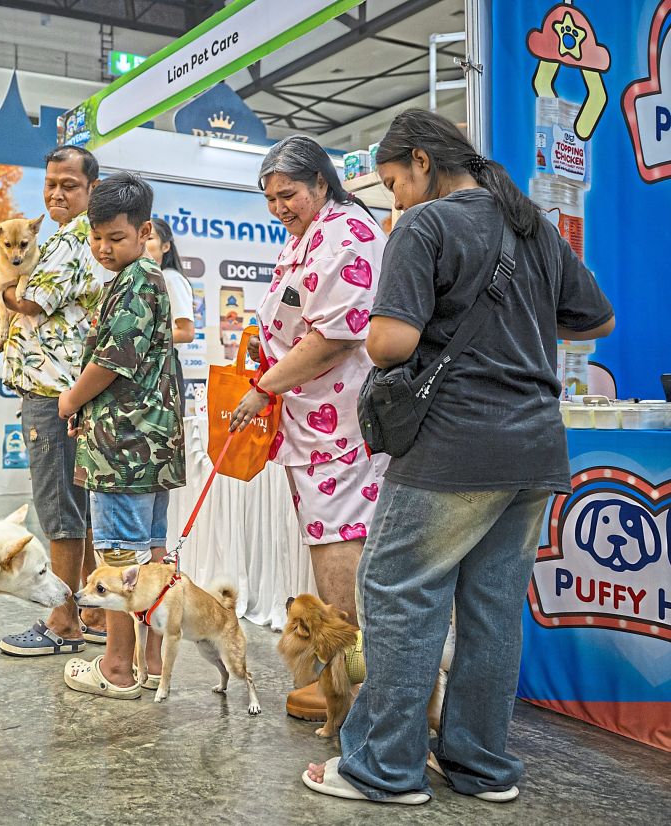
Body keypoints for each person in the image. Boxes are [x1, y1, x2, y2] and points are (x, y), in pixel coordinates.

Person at [302, 110, 614, 804]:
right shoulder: (532, 224)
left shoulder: (426, 225)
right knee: (493, 607)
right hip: (534, 447)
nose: (396, 200)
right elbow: (598, 318)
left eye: (393, 184)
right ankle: (480, 766)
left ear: (420, 161)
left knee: (397, 593)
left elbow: (389, 345)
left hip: (455, 444)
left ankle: (383, 769)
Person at [228, 135, 389, 723]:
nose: (279, 208)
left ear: (323, 183)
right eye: (270, 199)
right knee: (329, 541)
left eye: (288, 194)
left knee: (340, 543)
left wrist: (264, 386)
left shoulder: (348, 235)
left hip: (342, 426)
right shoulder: (307, 238)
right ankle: (342, 677)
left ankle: (346, 684)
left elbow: (335, 336)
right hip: (313, 423)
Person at [59, 172, 185, 699]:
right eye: (97, 238)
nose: (104, 248)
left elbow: (114, 359)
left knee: (117, 560)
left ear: (144, 230)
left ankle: (115, 666)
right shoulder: (145, 279)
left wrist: (71, 399)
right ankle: (151, 662)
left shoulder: (136, 281)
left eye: (116, 237)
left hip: (123, 450)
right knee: (149, 559)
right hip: (144, 447)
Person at [0, 146, 112, 657]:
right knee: (74, 506)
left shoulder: (68, 243)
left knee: (59, 509)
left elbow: (29, 300)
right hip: (61, 389)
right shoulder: (67, 240)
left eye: (69, 185)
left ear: (91, 190)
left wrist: (0, 294)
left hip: (50, 392)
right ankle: (93, 611)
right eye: (51, 184)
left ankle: (62, 623)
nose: (57, 193)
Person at [145, 217, 195, 414]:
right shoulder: (146, 279)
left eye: (149, 237)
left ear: (165, 246)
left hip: (164, 368)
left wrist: (144, 340)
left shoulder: (171, 278)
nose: (143, 243)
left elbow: (186, 332)